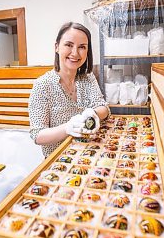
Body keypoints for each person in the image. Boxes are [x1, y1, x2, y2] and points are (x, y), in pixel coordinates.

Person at [29, 22, 109, 157]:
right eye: (69, 45)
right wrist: (67, 128)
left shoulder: (88, 78)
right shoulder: (42, 85)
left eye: (82, 47)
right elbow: (37, 135)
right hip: (59, 161)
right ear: (57, 47)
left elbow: (104, 108)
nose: (75, 53)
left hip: (90, 153)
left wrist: (92, 113)